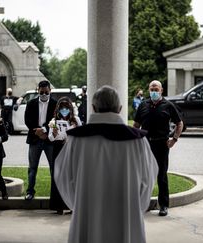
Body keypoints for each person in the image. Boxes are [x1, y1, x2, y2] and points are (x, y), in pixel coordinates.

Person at [55, 85, 158, 243]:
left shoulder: (76, 140)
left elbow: (63, 176)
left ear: (93, 108)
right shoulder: (138, 141)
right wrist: (136, 205)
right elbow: (148, 177)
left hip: (87, 211)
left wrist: (79, 203)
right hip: (126, 212)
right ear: (120, 108)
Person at [133, 80, 183, 216]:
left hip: (162, 144)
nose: (154, 92)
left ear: (161, 90)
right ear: (149, 90)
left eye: (156, 89)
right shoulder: (143, 104)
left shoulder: (168, 105)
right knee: (144, 175)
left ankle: (164, 205)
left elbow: (179, 123)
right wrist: (134, 140)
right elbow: (136, 125)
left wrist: (175, 139)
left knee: (161, 175)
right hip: (146, 144)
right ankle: (141, 203)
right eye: (151, 89)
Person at [48, 97, 82, 214]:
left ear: (70, 109)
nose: (64, 110)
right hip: (58, 149)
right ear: (58, 109)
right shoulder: (54, 121)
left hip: (71, 149)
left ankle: (72, 205)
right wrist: (54, 133)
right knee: (58, 176)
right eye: (62, 108)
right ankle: (58, 205)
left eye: (66, 108)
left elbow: (81, 136)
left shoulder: (76, 120)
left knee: (71, 176)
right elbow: (50, 138)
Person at [24, 80, 57, 200]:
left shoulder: (55, 104)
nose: (44, 94)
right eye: (41, 92)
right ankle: (30, 192)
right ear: (38, 90)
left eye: (46, 92)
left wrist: (45, 131)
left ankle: (55, 194)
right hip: (34, 139)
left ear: (50, 91)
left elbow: (56, 120)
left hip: (49, 140)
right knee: (32, 168)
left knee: (54, 168)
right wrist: (36, 132)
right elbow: (27, 120)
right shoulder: (31, 103)